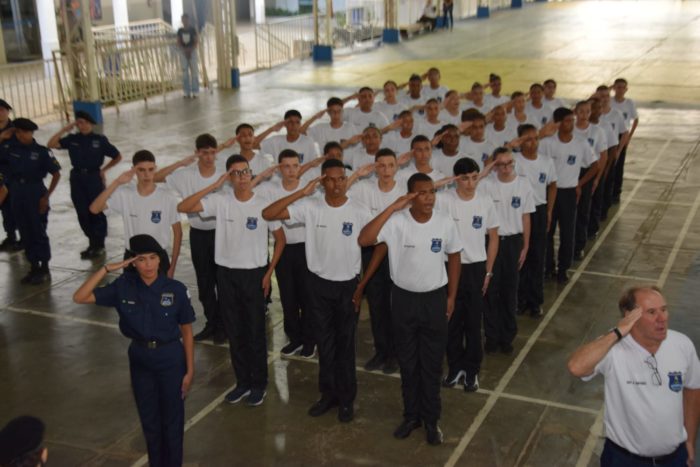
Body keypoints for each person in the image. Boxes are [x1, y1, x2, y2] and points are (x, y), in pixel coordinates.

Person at [262, 158, 372, 423]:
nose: (336, 184)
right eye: (330, 180)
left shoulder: (359, 210)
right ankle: (328, 395)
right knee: (325, 344)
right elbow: (269, 213)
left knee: (345, 346)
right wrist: (301, 192)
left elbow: (379, 242)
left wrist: (362, 284)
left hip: (347, 286)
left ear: (346, 180)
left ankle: (346, 400)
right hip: (318, 286)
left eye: (341, 178)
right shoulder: (310, 206)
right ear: (322, 182)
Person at [358, 172, 462, 445]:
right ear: (411, 197)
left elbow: (454, 255)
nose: (429, 198)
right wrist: (393, 207)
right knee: (408, 362)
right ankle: (411, 416)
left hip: (434, 300)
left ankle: (431, 420)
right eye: (422, 193)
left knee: (432, 364)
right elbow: (364, 239)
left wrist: (451, 296)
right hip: (404, 300)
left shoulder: (444, 222)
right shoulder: (397, 222)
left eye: (432, 192)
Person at [73, 234, 195, 467]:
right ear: (132, 262)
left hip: (170, 358)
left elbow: (187, 332)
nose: (148, 265)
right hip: (140, 359)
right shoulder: (123, 287)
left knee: (172, 422)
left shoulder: (176, 289)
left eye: (152, 258)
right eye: (141, 259)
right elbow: (80, 297)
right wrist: (106, 268)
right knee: (150, 422)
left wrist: (190, 371)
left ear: (160, 260)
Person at [178, 155, 285, 407]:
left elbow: (281, 239)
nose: (242, 177)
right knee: (234, 331)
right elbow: (184, 206)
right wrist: (214, 185)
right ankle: (242, 383)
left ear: (251, 173)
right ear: (228, 177)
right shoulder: (220, 201)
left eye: (245, 171)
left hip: (254, 274)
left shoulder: (263, 204)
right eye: (235, 173)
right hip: (226, 274)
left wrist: (268, 273)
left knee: (255, 331)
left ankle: (259, 384)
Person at [567, 285, 700, 467]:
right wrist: (617, 332)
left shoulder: (682, 344)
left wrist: (690, 440)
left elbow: (693, 388)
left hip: (674, 459)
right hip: (624, 460)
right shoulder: (613, 349)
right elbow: (576, 367)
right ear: (631, 317)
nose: (662, 318)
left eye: (664, 309)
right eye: (652, 312)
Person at [153, 134, 227, 344]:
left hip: (222, 233)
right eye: (204, 153)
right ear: (197, 153)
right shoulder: (186, 174)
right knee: (204, 282)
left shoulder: (224, 174)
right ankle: (212, 323)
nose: (209, 157)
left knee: (223, 282)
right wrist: (180, 163)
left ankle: (224, 326)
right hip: (198, 234)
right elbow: (157, 177)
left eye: (212, 152)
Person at [437, 157, 498, 391]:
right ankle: (455, 368)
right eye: (464, 179)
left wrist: (488, 272)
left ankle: (472, 371)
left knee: (473, 323)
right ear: (456, 179)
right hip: (449, 267)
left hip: (475, 268)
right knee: (451, 321)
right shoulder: (444, 200)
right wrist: (442, 182)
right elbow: (418, 193)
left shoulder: (485, 201)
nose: (471, 183)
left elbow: (493, 238)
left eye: (474, 177)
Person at [257, 149, 315, 358]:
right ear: (279, 168)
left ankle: (310, 340)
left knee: (308, 297)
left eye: (295, 166)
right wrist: (262, 175)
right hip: (283, 248)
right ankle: (295, 338)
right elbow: (245, 188)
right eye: (286, 166)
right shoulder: (269, 189)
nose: (291, 170)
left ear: (300, 167)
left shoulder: (310, 189)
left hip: (307, 248)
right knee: (288, 297)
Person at [350, 148, 404, 374]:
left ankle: (395, 354)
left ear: (397, 167)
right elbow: (339, 192)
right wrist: (356, 174)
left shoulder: (404, 190)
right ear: (375, 167)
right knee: (376, 303)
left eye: (390, 165)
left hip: (397, 253)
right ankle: (381, 351)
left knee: (395, 306)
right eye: (381, 165)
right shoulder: (364, 188)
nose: (386, 170)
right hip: (371, 252)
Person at [90, 150, 182, 278]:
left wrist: (172, 266)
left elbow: (178, 233)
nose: (147, 174)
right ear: (133, 170)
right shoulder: (124, 193)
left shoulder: (167, 197)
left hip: (158, 258)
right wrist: (117, 182)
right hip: (132, 258)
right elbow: (94, 209)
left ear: (155, 168)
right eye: (141, 170)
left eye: (150, 169)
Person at [479, 148, 534, 354]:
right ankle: (491, 337)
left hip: (513, 242)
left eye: (509, 163)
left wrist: (525, 246)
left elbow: (526, 217)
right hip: (491, 242)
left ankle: (507, 336)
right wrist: (487, 169)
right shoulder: (487, 184)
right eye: (501, 164)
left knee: (510, 291)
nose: (506, 167)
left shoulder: (523, 184)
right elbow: (472, 184)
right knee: (490, 291)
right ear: (494, 166)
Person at [47, 110, 122, 258]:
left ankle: (99, 244)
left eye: (86, 123)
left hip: (94, 177)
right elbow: (51, 144)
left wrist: (104, 170)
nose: (83, 126)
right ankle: (92, 242)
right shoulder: (73, 139)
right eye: (80, 123)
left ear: (91, 124)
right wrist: (64, 129)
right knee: (82, 211)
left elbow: (117, 156)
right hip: (77, 178)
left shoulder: (99, 140)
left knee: (96, 210)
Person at [539, 108, 597, 284]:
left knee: (567, 232)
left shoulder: (581, 143)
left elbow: (595, 165)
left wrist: (579, 183)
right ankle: (548, 267)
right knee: (547, 231)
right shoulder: (547, 143)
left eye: (572, 120)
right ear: (557, 123)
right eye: (566, 121)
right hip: (549, 192)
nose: (571, 124)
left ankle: (563, 268)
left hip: (569, 193)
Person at [0, 118, 61, 285]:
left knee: (38, 231)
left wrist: (46, 197)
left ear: (31, 133)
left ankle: (44, 268)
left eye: (26, 132)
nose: (22, 135)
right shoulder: (10, 149)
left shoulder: (41, 152)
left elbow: (56, 174)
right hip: (16, 192)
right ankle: (34, 266)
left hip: (35, 192)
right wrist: (2, 138)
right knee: (25, 232)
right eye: (19, 132)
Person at [514, 124, 557, 317]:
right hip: (519, 212)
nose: (533, 143)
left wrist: (549, 211)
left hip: (538, 211)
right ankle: (520, 299)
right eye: (527, 139)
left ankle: (535, 301)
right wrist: (510, 146)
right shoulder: (514, 161)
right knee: (520, 257)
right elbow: (493, 161)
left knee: (537, 257)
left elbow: (553, 185)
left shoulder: (547, 161)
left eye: (535, 138)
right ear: (520, 141)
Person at [573, 100, 607, 259]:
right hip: (569, 172)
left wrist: (596, 178)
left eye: (587, 111)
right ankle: (568, 245)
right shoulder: (570, 129)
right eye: (581, 111)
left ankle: (579, 245)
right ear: (575, 112)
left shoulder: (597, 131)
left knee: (583, 210)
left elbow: (603, 156)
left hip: (587, 172)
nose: (584, 115)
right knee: (567, 212)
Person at [610, 78, 638, 203]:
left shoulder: (629, 103)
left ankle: (616, 192)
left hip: (622, 136)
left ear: (626, 89)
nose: (620, 90)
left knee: (619, 164)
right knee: (608, 164)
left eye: (623, 87)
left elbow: (636, 119)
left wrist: (629, 137)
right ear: (614, 88)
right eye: (618, 87)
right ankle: (608, 190)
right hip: (610, 136)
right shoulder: (609, 101)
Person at [0, 99, 20, 251]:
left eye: (2, 110)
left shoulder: (17, 130)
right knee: (5, 208)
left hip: (14, 174)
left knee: (18, 206)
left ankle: (24, 237)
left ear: (8, 111)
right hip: (1, 175)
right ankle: (11, 236)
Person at [176, 14, 199, 98]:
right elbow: (178, 41)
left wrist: (190, 50)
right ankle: (186, 91)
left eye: (186, 19)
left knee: (194, 71)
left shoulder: (193, 30)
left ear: (189, 20)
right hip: (183, 52)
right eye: (183, 20)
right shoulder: (180, 30)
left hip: (192, 52)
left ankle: (195, 91)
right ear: (182, 21)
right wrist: (184, 50)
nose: (185, 21)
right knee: (185, 72)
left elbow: (196, 41)